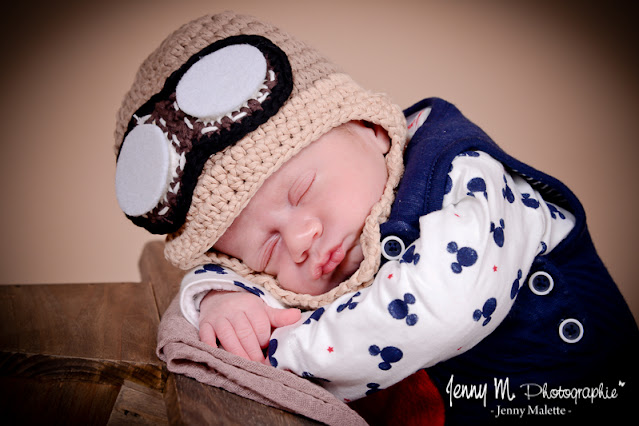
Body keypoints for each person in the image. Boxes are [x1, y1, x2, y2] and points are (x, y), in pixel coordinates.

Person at [114, 12, 638, 424]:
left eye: (301, 191)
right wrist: (220, 297)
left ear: (369, 127)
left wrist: (278, 350)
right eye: (267, 249)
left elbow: (437, 310)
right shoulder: (339, 223)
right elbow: (225, 271)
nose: (299, 239)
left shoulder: (465, 179)